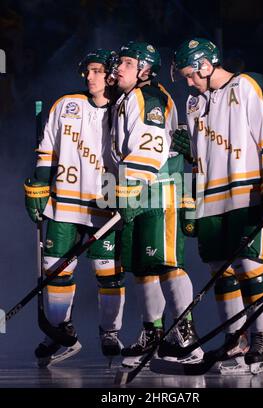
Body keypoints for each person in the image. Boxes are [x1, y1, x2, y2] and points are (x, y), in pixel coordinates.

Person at [170, 38, 263, 374]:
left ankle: (261, 341)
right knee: (220, 272)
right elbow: (197, 160)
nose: (189, 82)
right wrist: (190, 201)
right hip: (210, 199)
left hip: (246, 192)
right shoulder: (194, 103)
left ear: (206, 64)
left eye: (190, 75)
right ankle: (234, 341)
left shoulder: (252, 84)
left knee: (250, 267)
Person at [24, 49, 125, 367]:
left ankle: (110, 332)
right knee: (55, 270)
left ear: (110, 74)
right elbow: (47, 149)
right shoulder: (65, 104)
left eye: (97, 71)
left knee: (107, 272)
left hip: (105, 200)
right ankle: (58, 331)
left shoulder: (125, 109)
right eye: (87, 71)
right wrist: (38, 186)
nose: (90, 76)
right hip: (64, 201)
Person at [109, 41, 203, 368]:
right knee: (144, 269)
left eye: (127, 63)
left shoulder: (147, 97)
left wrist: (127, 191)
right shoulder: (125, 98)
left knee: (166, 264)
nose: (118, 67)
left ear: (145, 70)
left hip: (157, 191)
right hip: (136, 191)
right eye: (118, 61)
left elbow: (150, 152)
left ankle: (186, 336)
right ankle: (153, 334)